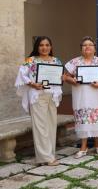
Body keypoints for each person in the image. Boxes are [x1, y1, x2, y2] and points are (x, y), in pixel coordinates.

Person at [15, 36, 63, 166]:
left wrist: (61, 77)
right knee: (40, 127)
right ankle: (46, 157)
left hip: (51, 96)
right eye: (41, 45)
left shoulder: (56, 60)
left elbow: (59, 76)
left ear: (51, 47)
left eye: (47, 45)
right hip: (37, 96)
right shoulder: (31, 60)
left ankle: (50, 153)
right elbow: (22, 75)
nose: (44, 47)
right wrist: (32, 84)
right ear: (37, 46)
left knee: (51, 125)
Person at [64, 36, 98, 158]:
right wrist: (73, 81)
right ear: (81, 49)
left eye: (90, 44)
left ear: (95, 48)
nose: (87, 47)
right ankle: (83, 147)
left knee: (96, 119)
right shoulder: (74, 62)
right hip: (81, 95)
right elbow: (65, 77)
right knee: (83, 119)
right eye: (85, 45)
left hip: (96, 94)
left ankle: (97, 145)